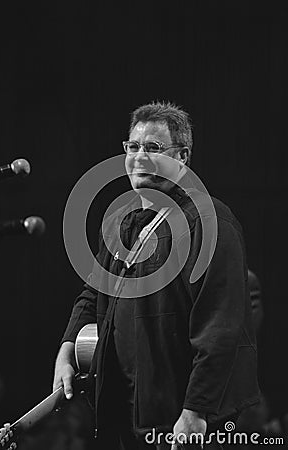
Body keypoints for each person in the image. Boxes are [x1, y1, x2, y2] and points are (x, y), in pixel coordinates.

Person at [53, 102, 260, 449]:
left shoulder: (208, 222)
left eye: (153, 148)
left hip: (182, 418)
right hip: (127, 411)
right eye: (133, 147)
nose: (139, 157)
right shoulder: (123, 220)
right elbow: (92, 293)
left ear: (182, 158)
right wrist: (67, 346)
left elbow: (220, 326)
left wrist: (197, 408)